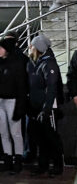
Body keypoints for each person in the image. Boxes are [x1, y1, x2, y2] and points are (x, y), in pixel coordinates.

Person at [27, 34, 64, 176]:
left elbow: (52, 88)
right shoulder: (33, 62)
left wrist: (46, 109)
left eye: (32, 45)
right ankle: (43, 164)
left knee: (51, 137)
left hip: (47, 108)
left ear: (38, 48)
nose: (29, 47)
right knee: (39, 138)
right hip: (35, 107)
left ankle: (57, 165)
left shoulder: (49, 64)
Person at [0, 38, 27, 174]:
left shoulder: (17, 64)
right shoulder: (1, 63)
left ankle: (18, 159)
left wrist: (20, 106)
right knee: (3, 132)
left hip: (13, 101)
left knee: (15, 133)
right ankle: (8, 158)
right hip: (1, 101)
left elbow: (21, 87)